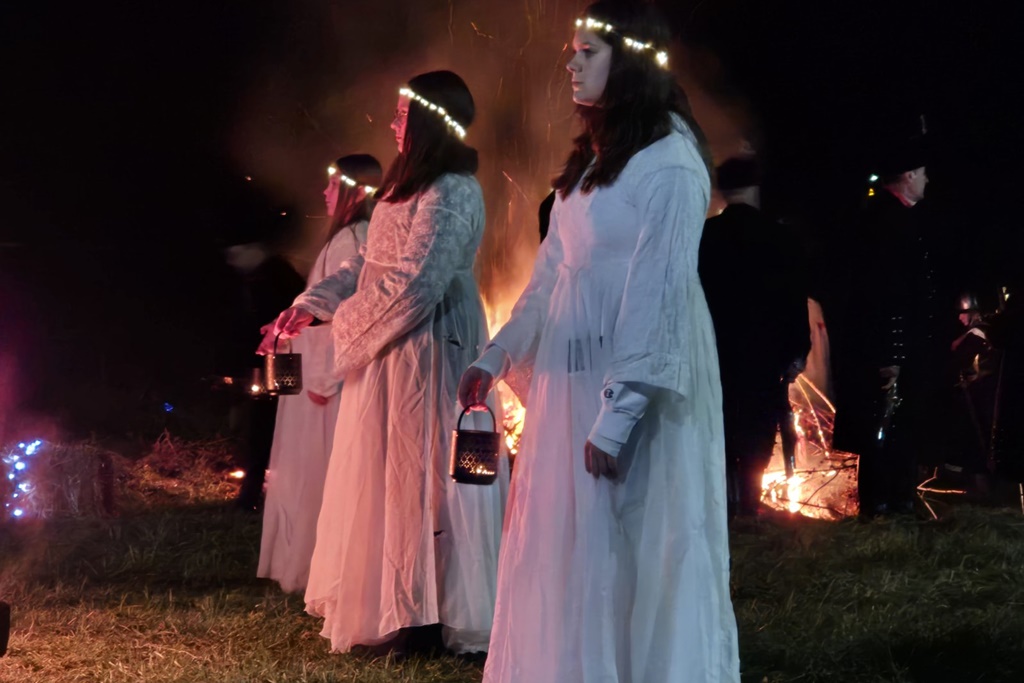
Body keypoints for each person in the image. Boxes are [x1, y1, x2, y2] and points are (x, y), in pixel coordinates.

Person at [459, 3, 740, 680]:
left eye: (588, 51)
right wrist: (497, 354)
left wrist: (618, 417)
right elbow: (553, 271)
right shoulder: (593, 161)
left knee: (634, 541)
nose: (571, 62)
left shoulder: (670, 161)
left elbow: (658, 293)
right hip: (572, 383)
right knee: (576, 541)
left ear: (632, 59)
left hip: (633, 394)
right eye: (572, 50)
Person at [263, 70, 505, 656]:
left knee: (425, 478)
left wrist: (346, 328)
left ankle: (430, 616)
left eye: (402, 113)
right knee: (387, 476)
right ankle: (393, 606)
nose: (393, 122)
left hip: (429, 350)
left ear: (427, 119)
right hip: (388, 352)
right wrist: (311, 306)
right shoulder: (401, 189)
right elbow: (367, 266)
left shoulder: (453, 189)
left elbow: (418, 282)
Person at [257, 154, 382, 593]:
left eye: (333, 184)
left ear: (355, 190)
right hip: (316, 373)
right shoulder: (344, 238)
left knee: (320, 476)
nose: (325, 192)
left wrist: (326, 379)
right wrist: (282, 327)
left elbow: (347, 313)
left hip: (327, 382)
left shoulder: (356, 238)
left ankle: (323, 570)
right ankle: (311, 565)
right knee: (307, 475)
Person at [831, 127, 947, 516]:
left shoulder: (899, 218)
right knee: (884, 427)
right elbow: (885, 294)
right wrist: (892, 355)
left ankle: (897, 499)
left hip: (902, 347)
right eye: (923, 173)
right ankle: (882, 504)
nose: (928, 180)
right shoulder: (884, 222)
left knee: (900, 427)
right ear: (909, 175)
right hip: (889, 349)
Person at [699, 156, 811, 517]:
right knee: (757, 433)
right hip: (765, 356)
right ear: (755, 189)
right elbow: (794, 299)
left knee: (720, 430)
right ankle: (748, 505)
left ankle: (724, 507)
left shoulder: (704, 237)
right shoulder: (779, 238)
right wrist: (798, 351)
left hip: (714, 354)